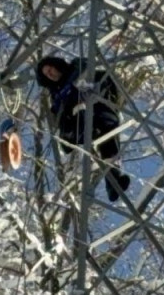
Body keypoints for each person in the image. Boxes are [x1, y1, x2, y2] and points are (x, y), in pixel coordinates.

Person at [36, 56, 130, 201]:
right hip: (77, 125)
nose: (50, 74)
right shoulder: (56, 96)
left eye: (50, 70)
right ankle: (112, 179)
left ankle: (113, 179)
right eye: (47, 75)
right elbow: (58, 117)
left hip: (97, 110)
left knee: (108, 136)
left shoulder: (76, 68)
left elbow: (97, 75)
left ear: (56, 65)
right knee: (98, 132)